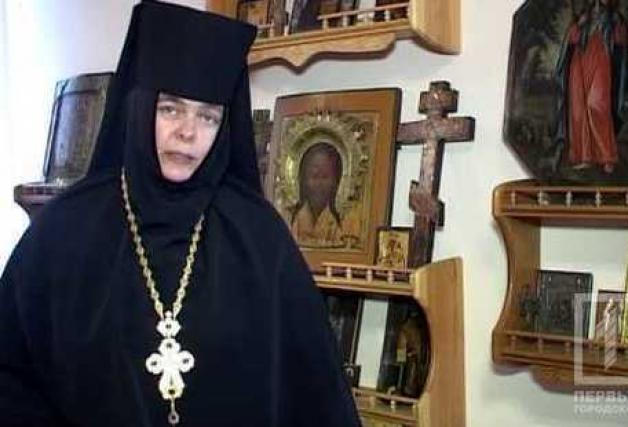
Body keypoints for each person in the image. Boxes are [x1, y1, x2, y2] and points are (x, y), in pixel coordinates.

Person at [0, 1, 360, 426]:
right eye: (170, 108)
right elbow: (11, 379)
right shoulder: (65, 230)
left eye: (207, 117)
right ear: (140, 107)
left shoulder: (260, 236)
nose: (188, 132)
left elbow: (318, 396)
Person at [553, 0, 628, 174]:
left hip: (601, 60)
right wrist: (577, 26)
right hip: (579, 63)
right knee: (579, 111)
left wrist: (617, 28)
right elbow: (572, 39)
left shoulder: (613, 18)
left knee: (596, 106)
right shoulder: (583, 16)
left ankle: (607, 157)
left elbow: (620, 42)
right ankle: (584, 157)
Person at [290, 142, 347, 247]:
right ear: (304, 180)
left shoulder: (340, 223)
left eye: (325, 177)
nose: (319, 184)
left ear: (336, 182)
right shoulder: (292, 219)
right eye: (314, 176)